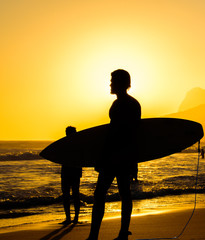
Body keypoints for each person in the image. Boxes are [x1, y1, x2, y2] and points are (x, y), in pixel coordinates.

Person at [87, 69, 141, 240]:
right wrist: (134, 160)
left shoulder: (121, 105)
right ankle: (123, 233)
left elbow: (116, 134)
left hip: (114, 157)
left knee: (100, 194)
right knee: (124, 194)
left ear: (121, 83)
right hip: (125, 156)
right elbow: (136, 135)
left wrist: (102, 158)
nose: (110, 84)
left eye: (112, 80)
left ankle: (94, 236)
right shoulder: (133, 104)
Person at [61, 126, 82, 224]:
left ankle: (75, 218)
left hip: (74, 173)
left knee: (75, 195)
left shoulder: (78, 145)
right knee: (66, 195)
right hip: (66, 172)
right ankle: (69, 218)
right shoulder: (64, 145)